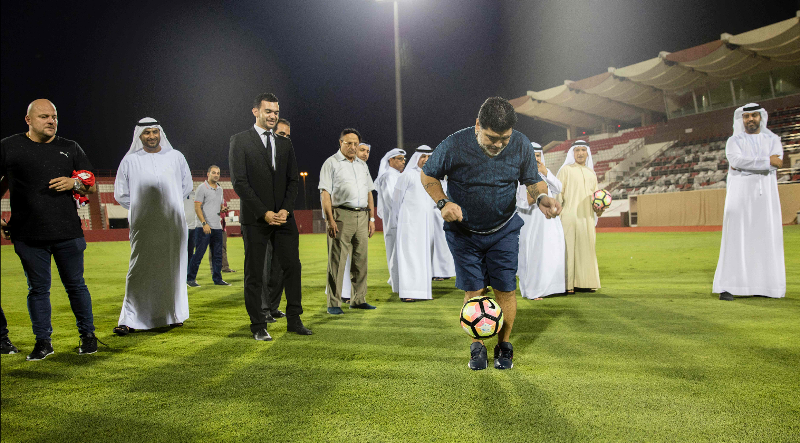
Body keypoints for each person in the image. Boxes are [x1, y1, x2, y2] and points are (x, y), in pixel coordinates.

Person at [420, 97, 561, 370]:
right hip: (464, 232)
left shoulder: (520, 143)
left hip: (504, 229)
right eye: (492, 137)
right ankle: (478, 347)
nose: (498, 144)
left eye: (504, 139)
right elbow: (428, 176)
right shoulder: (454, 144)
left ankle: (504, 345)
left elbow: (532, 179)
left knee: (506, 289)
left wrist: (542, 197)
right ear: (477, 126)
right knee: (474, 290)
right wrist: (443, 202)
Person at [0, 99, 100, 360]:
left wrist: (73, 183)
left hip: (68, 232)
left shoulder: (70, 147)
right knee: (38, 290)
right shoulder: (9, 146)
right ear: (28, 120)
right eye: (44, 116)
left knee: (76, 286)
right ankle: (43, 342)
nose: (51, 121)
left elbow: (91, 186)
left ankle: (88, 337)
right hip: (28, 235)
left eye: (54, 116)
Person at [229, 93, 311, 340]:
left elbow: (293, 180)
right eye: (268, 111)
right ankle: (258, 325)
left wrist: (285, 209)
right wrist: (264, 213)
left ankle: (294, 319)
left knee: (292, 268)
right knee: (254, 273)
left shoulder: (285, 143)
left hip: (284, 218)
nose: (273, 116)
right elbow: (239, 183)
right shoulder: (240, 141)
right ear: (256, 111)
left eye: (276, 112)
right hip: (256, 219)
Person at [113, 117, 193, 336]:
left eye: (154, 132)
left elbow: (186, 186)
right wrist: (145, 207)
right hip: (144, 224)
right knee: (139, 269)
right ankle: (129, 318)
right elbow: (121, 194)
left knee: (172, 267)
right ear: (140, 136)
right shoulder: (130, 160)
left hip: (172, 223)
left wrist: (166, 204)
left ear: (160, 134)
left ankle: (173, 315)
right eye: (146, 133)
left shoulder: (176, 157)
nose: (151, 136)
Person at [713, 103, 785, 300]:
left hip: (766, 199)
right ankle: (729, 287)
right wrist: (766, 161)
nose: (750, 119)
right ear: (741, 119)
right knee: (736, 239)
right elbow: (736, 162)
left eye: (754, 115)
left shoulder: (774, 139)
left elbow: (777, 163)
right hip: (739, 197)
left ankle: (766, 287)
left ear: (761, 117)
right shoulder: (733, 141)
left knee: (765, 239)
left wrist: (752, 164)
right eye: (746, 116)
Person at [319, 128, 377, 314]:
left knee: (361, 261)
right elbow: (325, 193)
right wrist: (330, 219)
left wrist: (372, 218)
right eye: (348, 143)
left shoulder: (362, 165)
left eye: (355, 144)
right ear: (340, 143)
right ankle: (333, 303)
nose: (352, 147)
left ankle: (358, 299)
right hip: (341, 215)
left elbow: (369, 191)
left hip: (362, 216)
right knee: (337, 261)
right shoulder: (331, 163)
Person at [391, 146, 455, 301]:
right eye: (423, 157)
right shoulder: (407, 176)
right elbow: (396, 202)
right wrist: (400, 223)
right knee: (410, 257)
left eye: (429, 157)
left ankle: (421, 292)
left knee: (423, 258)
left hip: (426, 227)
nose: (426, 160)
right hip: (409, 225)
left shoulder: (433, 178)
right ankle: (408, 293)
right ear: (416, 158)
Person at [517, 143, 565, 300]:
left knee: (549, 253)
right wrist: (531, 201)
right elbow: (518, 200)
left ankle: (547, 287)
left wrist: (546, 173)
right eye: (533, 155)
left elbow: (558, 188)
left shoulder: (544, 173)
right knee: (531, 255)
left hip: (548, 221)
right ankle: (531, 290)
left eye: (538, 155)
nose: (535, 159)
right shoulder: (520, 174)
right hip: (530, 220)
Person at [556, 140, 602, 294]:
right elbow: (558, 195)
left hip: (587, 218)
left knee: (586, 250)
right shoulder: (565, 170)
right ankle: (568, 285)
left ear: (587, 152)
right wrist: (558, 214)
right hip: (568, 216)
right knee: (568, 251)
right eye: (577, 150)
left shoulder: (591, 173)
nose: (580, 153)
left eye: (583, 150)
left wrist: (599, 209)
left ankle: (586, 283)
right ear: (572, 153)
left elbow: (596, 197)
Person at [187, 165, 231, 287]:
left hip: (217, 227)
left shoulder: (220, 189)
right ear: (208, 174)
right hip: (203, 228)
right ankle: (190, 279)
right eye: (214, 173)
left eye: (218, 173)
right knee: (199, 254)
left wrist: (223, 209)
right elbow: (197, 207)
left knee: (217, 255)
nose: (216, 175)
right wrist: (204, 223)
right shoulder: (202, 188)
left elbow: (220, 205)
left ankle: (217, 279)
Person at [374, 148, 406, 289]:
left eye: (404, 159)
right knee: (395, 251)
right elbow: (391, 200)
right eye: (399, 159)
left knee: (398, 251)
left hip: (400, 219)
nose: (403, 161)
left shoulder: (397, 175)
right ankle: (397, 284)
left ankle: (397, 281)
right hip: (396, 220)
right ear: (390, 160)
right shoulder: (388, 176)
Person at [184, 188, 199, 265]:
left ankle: (188, 273)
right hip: (182, 228)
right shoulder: (179, 194)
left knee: (190, 252)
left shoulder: (196, 195)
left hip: (193, 228)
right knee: (181, 252)